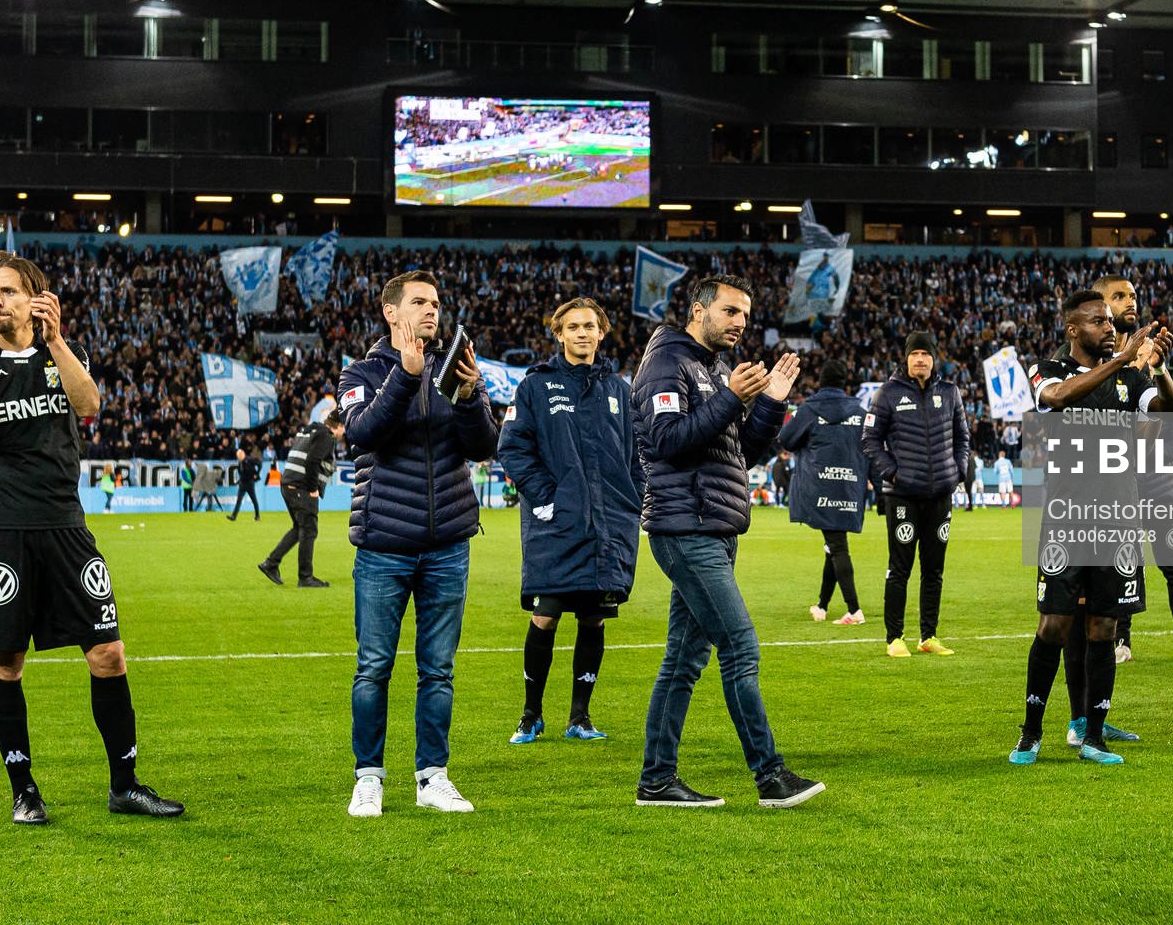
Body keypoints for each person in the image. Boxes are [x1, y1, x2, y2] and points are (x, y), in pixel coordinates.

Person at [0, 250, 183, 824]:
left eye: (8, 291)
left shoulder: (60, 355)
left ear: (35, 299)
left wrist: (58, 342)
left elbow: (91, 405)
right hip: (4, 530)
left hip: (66, 527)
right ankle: (23, 790)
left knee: (108, 653)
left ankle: (124, 784)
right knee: (6, 663)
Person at [631, 274, 823, 809]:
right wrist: (732, 398)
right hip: (685, 525)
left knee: (684, 661)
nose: (740, 322)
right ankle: (769, 776)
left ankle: (656, 782)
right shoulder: (666, 364)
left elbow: (742, 455)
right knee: (739, 646)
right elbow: (668, 442)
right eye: (730, 311)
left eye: (745, 313)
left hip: (711, 525)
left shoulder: (712, 369)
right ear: (698, 311)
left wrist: (770, 403)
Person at [340, 270, 497, 818]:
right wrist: (405, 377)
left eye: (435, 303)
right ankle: (369, 777)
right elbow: (362, 434)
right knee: (373, 667)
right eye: (419, 302)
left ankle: (433, 776)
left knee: (438, 669)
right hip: (384, 543)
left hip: (449, 543)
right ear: (391, 312)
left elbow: (483, 446)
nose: (431, 311)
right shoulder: (361, 371)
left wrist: (473, 394)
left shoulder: (450, 367)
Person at [1009, 291, 1173, 766]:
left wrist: (1158, 371)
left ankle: (1094, 736)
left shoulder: (1129, 378)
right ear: (1072, 330)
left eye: (1110, 320)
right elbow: (1057, 399)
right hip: (1066, 520)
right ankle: (1031, 731)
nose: (1109, 327)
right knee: (1054, 626)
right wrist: (1124, 356)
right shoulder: (1049, 370)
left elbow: (1168, 417)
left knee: (1104, 627)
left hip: (1119, 519)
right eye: (1098, 321)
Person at [496, 298, 644, 745]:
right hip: (557, 524)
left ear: (602, 333)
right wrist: (544, 497)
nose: (582, 333)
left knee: (594, 620)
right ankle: (530, 714)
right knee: (545, 616)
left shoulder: (619, 390)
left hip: (607, 527)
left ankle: (580, 717)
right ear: (558, 335)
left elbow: (635, 457)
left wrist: (634, 500)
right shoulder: (536, 386)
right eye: (573, 327)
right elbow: (513, 448)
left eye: (590, 326)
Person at [1089, 274, 1173, 663]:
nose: (1129, 302)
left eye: (1132, 295)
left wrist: (1160, 369)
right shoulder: (1095, 368)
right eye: (1119, 296)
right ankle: (1122, 640)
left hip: (1157, 481)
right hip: (1116, 486)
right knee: (1124, 561)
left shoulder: (1151, 362)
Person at [862, 330, 969, 657]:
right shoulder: (887, 394)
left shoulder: (950, 393)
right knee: (900, 568)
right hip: (902, 496)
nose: (920, 359)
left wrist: (958, 472)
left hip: (940, 495)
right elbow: (869, 440)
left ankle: (928, 636)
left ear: (934, 358)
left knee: (934, 569)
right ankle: (894, 638)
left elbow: (963, 438)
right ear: (906, 359)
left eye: (925, 353)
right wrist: (893, 473)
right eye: (914, 354)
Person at [780, 358, 870, 627]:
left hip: (819, 487)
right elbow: (872, 447)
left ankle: (854, 610)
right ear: (845, 383)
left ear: (821, 381)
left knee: (837, 546)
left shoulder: (810, 409)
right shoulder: (861, 413)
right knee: (834, 544)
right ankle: (822, 605)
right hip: (850, 485)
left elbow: (786, 439)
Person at [261, 412, 342, 588]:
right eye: (344, 428)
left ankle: (271, 563)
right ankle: (305, 577)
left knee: (300, 528)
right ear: (337, 426)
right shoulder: (326, 436)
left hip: (288, 484)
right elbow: (313, 461)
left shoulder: (309, 430)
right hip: (301, 487)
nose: (344, 433)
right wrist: (313, 489)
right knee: (309, 530)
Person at [229, 446, 261, 521]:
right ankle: (233, 516)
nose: (238, 457)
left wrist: (257, 473)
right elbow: (240, 472)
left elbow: (259, 464)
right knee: (238, 501)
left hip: (250, 483)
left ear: (243, 454)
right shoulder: (240, 463)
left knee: (254, 500)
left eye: (239, 456)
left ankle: (257, 516)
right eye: (237, 456)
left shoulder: (250, 459)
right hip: (242, 483)